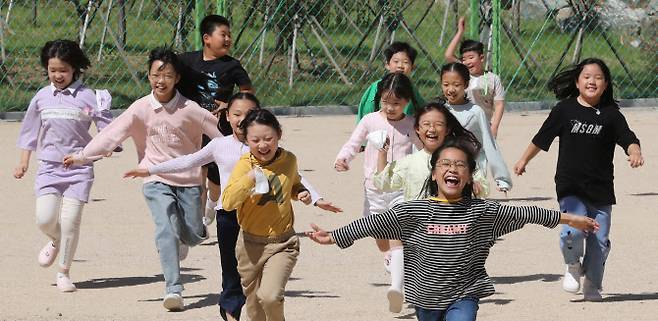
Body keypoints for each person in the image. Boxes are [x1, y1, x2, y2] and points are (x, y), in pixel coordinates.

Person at [307, 138, 599, 321]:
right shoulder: (415, 210)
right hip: (425, 296)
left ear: (469, 175)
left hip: (465, 292)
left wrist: (569, 219)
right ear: (434, 174)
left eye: (460, 165)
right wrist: (333, 236)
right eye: (445, 163)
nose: (453, 169)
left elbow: (525, 212)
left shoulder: (482, 211)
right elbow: (372, 223)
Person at [124, 93, 341, 321]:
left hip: (265, 218)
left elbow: (292, 176)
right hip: (229, 216)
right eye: (236, 114)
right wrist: (151, 170)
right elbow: (188, 161)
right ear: (227, 117)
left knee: (262, 289)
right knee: (232, 274)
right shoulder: (221, 145)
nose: (241, 119)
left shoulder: (264, 147)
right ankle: (230, 313)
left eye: (248, 114)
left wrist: (315, 198)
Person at [63, 47, 221, 311]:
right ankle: (173, 289)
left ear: (177, 78)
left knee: (193, 234)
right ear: (148, 76)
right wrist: (82, 155)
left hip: (189, 180)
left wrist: (247, 156)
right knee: (165, 229)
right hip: (154, 176)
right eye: (156, 75)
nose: (161, 81)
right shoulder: (140, 108)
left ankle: (191, 234)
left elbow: (220, 138)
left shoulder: (190, 109)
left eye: (168, 75)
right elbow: (111, 135)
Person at [513, 57, 644, 301]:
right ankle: (572, 265)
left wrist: (634, 150)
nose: (592, 81)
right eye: (586, 76)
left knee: (600, 240)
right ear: (576, 81)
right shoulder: (564, 110)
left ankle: (593, 284)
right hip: (570, 185)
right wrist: (523, 160)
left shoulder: (611, 114)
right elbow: (542, 138)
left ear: (605, 84)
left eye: (598, 77)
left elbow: (627, 137)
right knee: (571, 232)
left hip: (601, 188)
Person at [14, 39, 118, 292]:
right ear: (46, 69)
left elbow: (106, 127)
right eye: (53, 70)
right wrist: (24, 162)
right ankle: (54, 239)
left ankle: (63, 272)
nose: (58, 75)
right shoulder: (41, 97)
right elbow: (30, 130)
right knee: (44, 219)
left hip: (79, 168)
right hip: (49, 167)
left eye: (63, 70)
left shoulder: (89, 97)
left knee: (71, 220)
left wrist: (107, 146)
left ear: (75, 69)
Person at [335, 72, 421, 313]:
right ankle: (391, 262)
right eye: (386, 101)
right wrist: (343, 158)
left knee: (396, 233)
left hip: (400, 189)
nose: (390, 107)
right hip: (373, 188)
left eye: (396, 103)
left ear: (407, 102)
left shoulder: (411, 124)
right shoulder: (370, 120)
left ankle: (397, 287)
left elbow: (423, 150)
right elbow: (354, 143)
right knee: (377, 231)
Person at [220, 108, 311, 321]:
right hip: (250, 245)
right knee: (255, 309)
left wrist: (301, 193)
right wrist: (249, 178)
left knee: (269, 296)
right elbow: (228, 202)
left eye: (269, 138)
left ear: (278, 134)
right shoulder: (244, 165)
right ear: (246, 141)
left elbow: (293, 184)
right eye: (255, 140)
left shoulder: (289, 160)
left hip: (282, 242)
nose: (263, 145)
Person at [178, 14, 255, 225]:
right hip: (192, 129)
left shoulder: (232, 66)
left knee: (215, 182)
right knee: (197, 172)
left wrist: (230, 106)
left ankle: (211, 206)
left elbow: (247, 91)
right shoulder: (186, 61)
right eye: (223, 34)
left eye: (230, 35)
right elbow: (167, 73)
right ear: (207, 38)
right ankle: (198, 222)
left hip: (219, 129)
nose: (228, 39)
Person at [440, 62, 512, 197]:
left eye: (456, 85)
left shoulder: (476, 111)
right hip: (446, 167)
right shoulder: (440, 111)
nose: (451, 89)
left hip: (474, 167)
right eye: (446, 85)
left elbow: (489, 143)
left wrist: (502, 178)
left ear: (466, 85)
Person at [444, 17, 506, 137]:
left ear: (481, 58)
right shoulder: (463, 74)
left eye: (471, 57)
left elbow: (499, 104)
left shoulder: (493, 79)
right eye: (464, 59)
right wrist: (460, 32)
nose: (467, 62)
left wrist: (494, 126)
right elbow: (448, 55)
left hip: (484, 126)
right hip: (461, 124)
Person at [356, 41, 425, 123]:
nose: (400, 66)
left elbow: (422, 110)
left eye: (405, 62)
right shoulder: (376, 87)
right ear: (387, 65)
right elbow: (366, 113)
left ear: (412, 67)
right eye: (396, 61)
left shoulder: (412, 89)